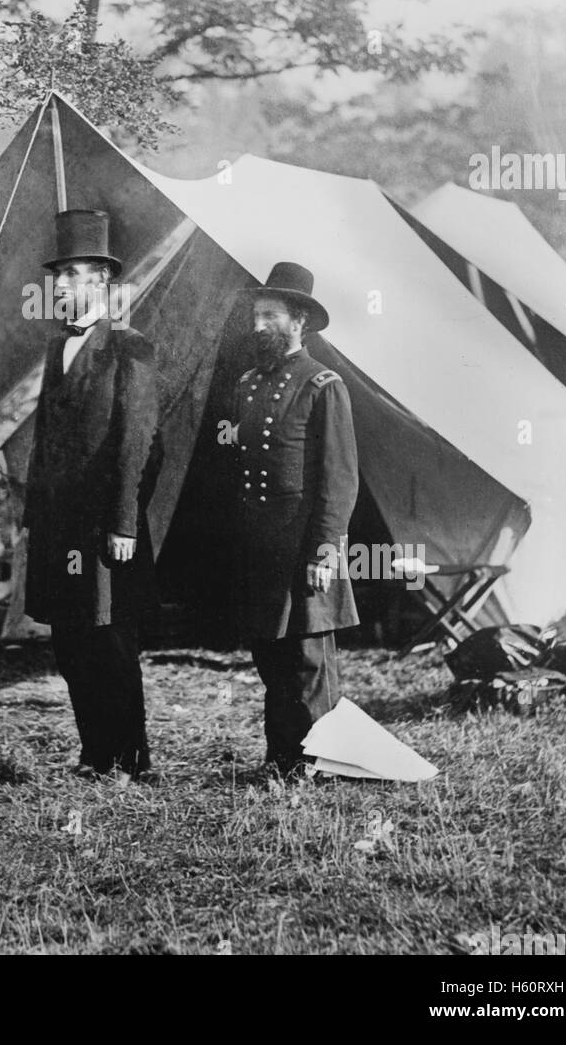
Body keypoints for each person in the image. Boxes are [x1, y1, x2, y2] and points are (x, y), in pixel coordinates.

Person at [23, 210, 162, 783]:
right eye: (60, 276)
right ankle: (95, 753)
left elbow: (138, 443)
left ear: (104, 281)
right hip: (58, 528)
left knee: (109, 642)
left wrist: (123, 523)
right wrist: (32, 515)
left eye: (77, 274)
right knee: (70, 641)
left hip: (106, 528)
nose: (64, 286)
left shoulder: (132, 349)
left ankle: (131, 759)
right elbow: (45, 439)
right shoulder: (58, 349)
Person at [231, 263, 359, 780]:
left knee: (309, 661)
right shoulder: (247, 383)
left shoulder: (324, 385)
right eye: (256, 314)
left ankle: (319, 761)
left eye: (270, 315)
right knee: (271, 656)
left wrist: (325, 550)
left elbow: (339, 477)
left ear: (298, 319)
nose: (258, 325)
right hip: (264, 547)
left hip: (305, 545)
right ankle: (282, 757)